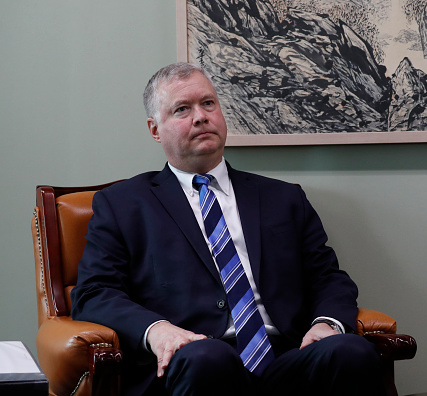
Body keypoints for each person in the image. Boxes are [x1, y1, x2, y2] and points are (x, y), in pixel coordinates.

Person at [71, 62, 385, 396]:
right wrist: (158, 331)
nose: (200, 116)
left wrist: (327, 324)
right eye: (182, 109)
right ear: (155, 129)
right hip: (193, 359)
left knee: (352, 351)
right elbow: (94, 293)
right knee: (209, 358)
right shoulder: (123, 205)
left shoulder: (283, 198)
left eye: (208, 103)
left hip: (288, 360)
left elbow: (328, 278)